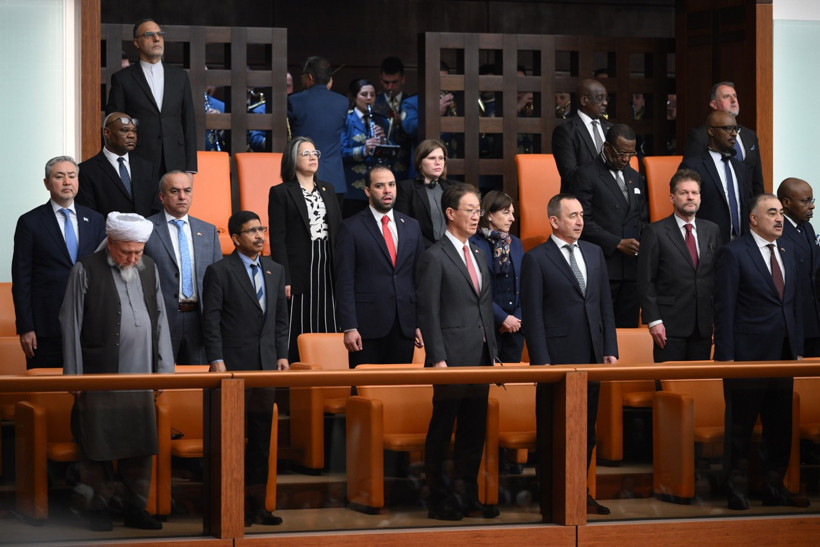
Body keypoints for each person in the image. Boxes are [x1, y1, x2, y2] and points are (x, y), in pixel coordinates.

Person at [60, 212, 174, 531]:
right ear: (110, 243)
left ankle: (135, 507)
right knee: (98, 443)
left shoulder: (149, 267)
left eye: (138, 251)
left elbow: (160, 317)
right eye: (127, 252)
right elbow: (70, 322)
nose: (133, 258)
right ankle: (96, 508)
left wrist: (164, 370)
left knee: (140, 443)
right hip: (100, 375)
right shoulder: (85, 269)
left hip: (141, 375)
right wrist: (74, 376)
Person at [521, 193, 618, 515]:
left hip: (591, 355)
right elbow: (533, 315)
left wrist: (610, 347)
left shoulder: (594, 252)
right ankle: (550, 495)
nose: (579, 221)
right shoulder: (537, 259)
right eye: (572, 215)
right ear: (554, 221)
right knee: (554, 431)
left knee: (586, 431)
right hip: (556, 359)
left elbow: (604, 304)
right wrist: (541, 362)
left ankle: (580, 492)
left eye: (581, 215)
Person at [714, 193, 807, 510]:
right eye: (772, 213)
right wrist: (726, 356)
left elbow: (793, 305)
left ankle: (774, 486)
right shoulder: (734, 253)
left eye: (781, 213)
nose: (779, 219)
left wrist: (797, 349)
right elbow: (724, 307)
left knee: (780, 425)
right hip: (746, 355)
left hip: (783, 354)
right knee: (740, 425)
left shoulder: (788, 250)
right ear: (753, 219)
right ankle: (735, 488)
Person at [416, 184, 499, 521]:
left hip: (480, 356)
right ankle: (438, 499)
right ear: (450, 213)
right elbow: (428, 311)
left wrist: (493, 353)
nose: (477, 216)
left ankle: (468, 495)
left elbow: (484, 307)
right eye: (470, 210)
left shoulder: (479, 253)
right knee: (442, 429)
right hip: (449, 358)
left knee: (473, 430)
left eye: (478, 210)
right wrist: (437, 357)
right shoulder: (434, 256)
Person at [201, 210, 289, 526]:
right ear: (236, 238)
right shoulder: (220, 271)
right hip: (232, 369)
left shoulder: (275, 270)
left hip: (265, 367)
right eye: (252, 231)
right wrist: (216, 359)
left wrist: (282, 354)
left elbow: (280, 319)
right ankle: (230, 506)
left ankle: (257, 507)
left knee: (261, 440)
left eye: (261, 229)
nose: (259, 235)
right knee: (232, 440)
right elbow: (210, 319)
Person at [12, 157, 106, 369]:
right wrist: (26, 327)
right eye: (59, 176)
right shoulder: (30, 222)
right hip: (46, 326)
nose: (66, 182)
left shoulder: (96, 220)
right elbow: (21, 279)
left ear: (78, 181)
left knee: (90, 385)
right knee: (48, 385)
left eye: (72, 176)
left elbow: (103, 272)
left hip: (90, 324)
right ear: (46, 183)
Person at [335, 165, 424, 368]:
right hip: (366, 328)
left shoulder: (412, 226)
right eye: (380, 186)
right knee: (366, 385)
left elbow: (419, 279)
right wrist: (349, 326)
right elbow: (344, 281)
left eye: (391, 185)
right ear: (367, 191)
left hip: (405, 325)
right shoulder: (350, 228)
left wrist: (420, 322)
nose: (387, 190)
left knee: (400, 385)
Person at [269, 137, 342, 363]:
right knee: (299, 321)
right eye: (306, 154)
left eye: (315, 153)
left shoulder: (328, 189)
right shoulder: (281, 192)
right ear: (293, 159)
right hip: (299, 267)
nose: (313, 158)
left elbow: (338, 231)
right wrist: (284, 277)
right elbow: (278, 239)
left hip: (327, 262)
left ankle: (329, 369)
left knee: (329, 317)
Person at [637, 169, 721, 362]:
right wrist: (654, 320)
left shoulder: (712, 230)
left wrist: (717, 319)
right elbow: (645, 280)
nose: (690, 197)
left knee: (698, 379)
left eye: (694, 193)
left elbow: (718, 277)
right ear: (672, 198)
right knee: (669, 379)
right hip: (668, 326)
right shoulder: (655, 231)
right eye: (684, 193)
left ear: (700, 197)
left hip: (703, 326)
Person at [572, 123, 649, 328]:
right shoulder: (586, 174)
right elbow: (582, 222)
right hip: (604, 264)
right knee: (601, 328)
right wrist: (617, 243)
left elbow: (642, 217)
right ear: (607, 147)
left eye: (630, 154)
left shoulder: (634, 177)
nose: (625, 159)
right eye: (621, 153)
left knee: (628, 328)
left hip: (631, 268)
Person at [143, 170, 222, 365]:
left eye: (187, 190)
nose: (182, 196)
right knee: (161, 376)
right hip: (161, 319)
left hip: (199, 320)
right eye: (174, 191)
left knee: (198, 379)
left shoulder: (208, 231)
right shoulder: (146, 229)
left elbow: (218, 281)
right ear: (162, 197)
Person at [106, 19, 197, 174]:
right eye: (149, 35)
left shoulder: (180, 77)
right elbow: (115, 125)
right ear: (136, 42)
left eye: (159, 34)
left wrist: (190, 169)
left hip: (176, 161)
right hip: (138, 161)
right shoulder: (123, 79)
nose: (156, 39)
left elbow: (188, 123)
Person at [679, 110, 759, 245]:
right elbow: (684, 208)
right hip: (708, 244)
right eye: (728, 128)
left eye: (736, 129)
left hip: (740, 244)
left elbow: (745, 204)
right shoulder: (693, 166)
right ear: (711, 131)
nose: (734, 133)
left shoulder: (740, 167)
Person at [469, 191, 525, 363]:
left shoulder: (515, 243)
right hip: (485, 325)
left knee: (512, 377)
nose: (512, 218)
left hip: (514, 328)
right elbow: (475, 288)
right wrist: (502, 318)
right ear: (489, 215)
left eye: (512, 213)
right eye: (506, 212)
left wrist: (516, 318)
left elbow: (525, 284)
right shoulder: (473, 243)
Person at [683, 82, 764, 193]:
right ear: (714, 104)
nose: (733, 100)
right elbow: (689, 177)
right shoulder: (700, 136)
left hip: (747, 202)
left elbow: (757, 180)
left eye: (735, 96)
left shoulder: (750, 135)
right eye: (726, 96)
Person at [77, 112, 161, 218]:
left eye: (134, 131)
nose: (131, 135)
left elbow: (156, 209)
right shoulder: (86, 170)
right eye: (124, 130)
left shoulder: (148, 168)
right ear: (107, 133)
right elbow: (88, 214)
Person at [287, 56, 349, 198]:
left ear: (309, 76)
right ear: (329, 79)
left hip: (303, 176)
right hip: (334, 178)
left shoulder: (294, 101)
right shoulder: (342, 102)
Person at [777, 177, 820, 357]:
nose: (812, 206)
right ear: (786, 203)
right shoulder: (778, 231)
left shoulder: (807, 228)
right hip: (794, 322)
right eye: (805, 201)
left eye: (812, 200)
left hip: (814, 317)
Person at [552, 78, 613, 192]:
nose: (605, 103)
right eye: (600, 98)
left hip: (612, 197)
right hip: (582, 198)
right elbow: (570, 174)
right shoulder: (565, 131)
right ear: (584, 100)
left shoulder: (611, 129)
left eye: (606, 98)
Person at [341, 78, 391, 217]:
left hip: (377, 188)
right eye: (364, 94)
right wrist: (364, 149)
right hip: (353, 188)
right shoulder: (346, 120)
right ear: (354, 97)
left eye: (372, 95)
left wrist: (383, 142)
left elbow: (391, 155)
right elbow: (341, 152)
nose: (369, 98)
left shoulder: (382, 121)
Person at [395, 138, 454, 248]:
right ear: (420, 163)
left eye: (441, 158)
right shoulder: (406, 188)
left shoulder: (452, 188)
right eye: (432, 158)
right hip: (422, 250)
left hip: (451, 250)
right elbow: (404, 227)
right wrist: (433, 250)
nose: (438, 162)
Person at [373, 56, 416, 180]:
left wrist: (402, 123)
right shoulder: (374, 103)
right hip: (380, 166)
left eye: (394, 82)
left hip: (406, 165)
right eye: (386, 82)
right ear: (380, 79)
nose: (390, 87)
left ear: (403, 79)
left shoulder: (412, 103)